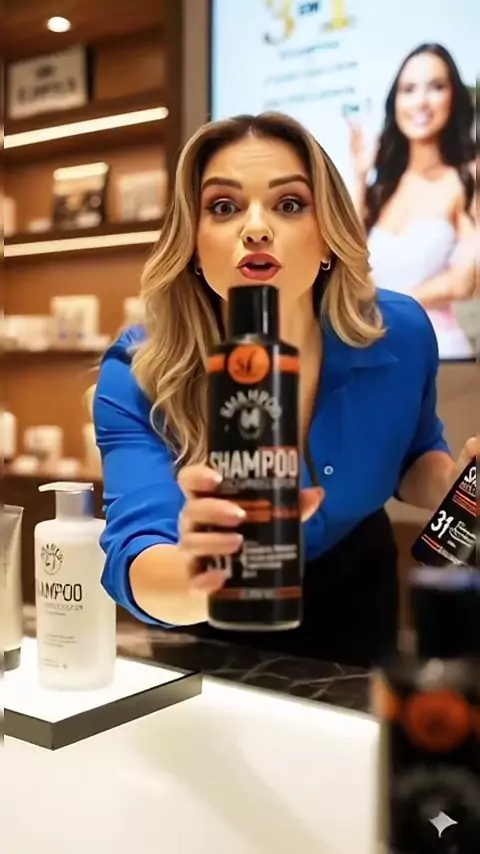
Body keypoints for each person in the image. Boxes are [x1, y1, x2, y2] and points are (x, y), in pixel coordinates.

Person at [93, 111, 477, 668]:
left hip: (357, 604)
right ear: (193, 245)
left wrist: (458, 487)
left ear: (328, 238)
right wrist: (202, 574)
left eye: (290, 204)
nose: (256, 228)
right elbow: (137, 555)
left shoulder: (401, 331)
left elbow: (415, 454)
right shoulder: (138, 373)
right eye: (223, 207)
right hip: (209, 628)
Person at [347, 43, 477, 360]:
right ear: (395, 102)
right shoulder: (383, 188)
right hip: (376, 352)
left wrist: (383, 306)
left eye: (436, 87)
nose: (421, 101)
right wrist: (360, 178)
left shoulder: (468, 177)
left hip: (438, 353)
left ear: (453, 97)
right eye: (409, 89)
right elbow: (345, 266)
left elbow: (465, 281)